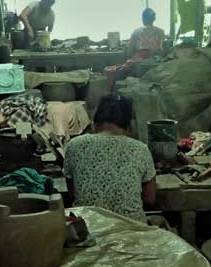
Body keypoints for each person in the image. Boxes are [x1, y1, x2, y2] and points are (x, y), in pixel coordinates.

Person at [63, 94, 156, 223]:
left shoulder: (74, 145)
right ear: (128, 125)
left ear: (95, 122)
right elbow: (149, 199)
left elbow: (72, 193)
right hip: (131, 231)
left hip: (88, 231)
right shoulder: (140, 149)